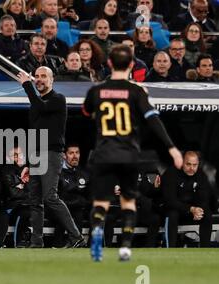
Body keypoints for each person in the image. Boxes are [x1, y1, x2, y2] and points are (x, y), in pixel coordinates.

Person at [82, 44, 183, 261]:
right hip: (129, 154)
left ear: (109, 63)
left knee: (101, 203)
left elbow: (86, 111)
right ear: (131, 64)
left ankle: (97, 229)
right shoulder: (138, 91)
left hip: (103, 154)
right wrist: (172, 147)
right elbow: (153, 120)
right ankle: (126, 247)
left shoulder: (96, 90)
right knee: (128, 202)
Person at [16, 66, 86, 248]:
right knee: (35, 201)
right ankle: (36, 242)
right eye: (36, 76)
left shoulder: (58, 99)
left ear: (51, 80)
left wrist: (27, 86)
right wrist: (29, 164)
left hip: (51, 154)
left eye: (43, 76)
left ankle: (76, 236)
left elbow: (41, 106)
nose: (39, 79)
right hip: (37, 155)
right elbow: (34, 134)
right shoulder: (37, 103)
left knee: (50, 197)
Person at [161, 151, 213, 248]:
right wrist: (191, 209)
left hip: (191, 212)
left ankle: (205, 249)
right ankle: (170, 249)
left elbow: (205, 197)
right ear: (182, 162)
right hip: (173, 209)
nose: (191, 168)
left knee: (207, 214)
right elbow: (170, 200)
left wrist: (198, 210)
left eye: (194, 165)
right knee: (172, 214)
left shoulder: (201, 175)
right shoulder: (171, 173)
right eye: (188, 164)